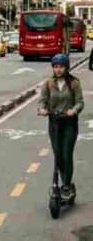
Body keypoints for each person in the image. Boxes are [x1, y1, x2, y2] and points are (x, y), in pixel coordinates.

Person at [38, 54, 85, 201]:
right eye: (56, 67)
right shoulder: (48, 84)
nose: (58, 70)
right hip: (54, 124)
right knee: (58, 156)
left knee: (66, 154)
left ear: (66, 67)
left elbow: (80, 102)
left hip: (69, 124)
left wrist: (73, 110)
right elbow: (42, 101)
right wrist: (42, 110)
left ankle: (65, 185)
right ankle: (67, 183)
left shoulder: (74, 83)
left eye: (61, 67)